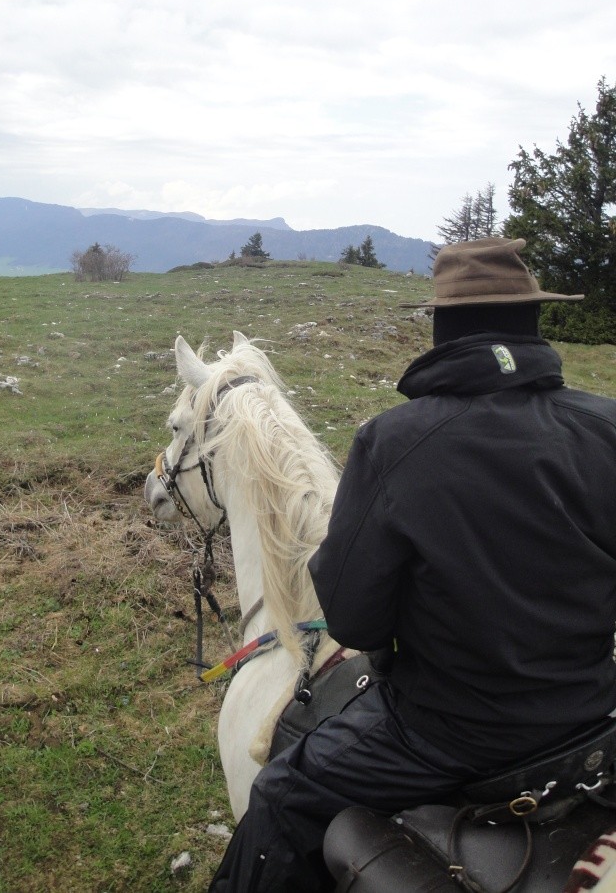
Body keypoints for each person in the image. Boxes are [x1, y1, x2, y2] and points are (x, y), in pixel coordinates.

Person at [209, 236, 616, 893]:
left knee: (283, 793)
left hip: (449, 735)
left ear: (443, 328)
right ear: (534, 322)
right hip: (594, 720)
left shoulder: (393, 441)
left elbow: (353, 617)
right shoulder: (605, 426)